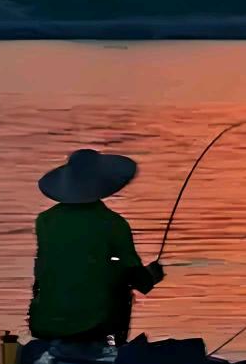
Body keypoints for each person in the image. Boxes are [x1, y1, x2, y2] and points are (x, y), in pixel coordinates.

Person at [28, 148, 165, 346]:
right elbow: (136, 278)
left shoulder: (45, 221)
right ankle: (113, 346)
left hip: (44, 324)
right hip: (94, 326)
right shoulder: (112, 223)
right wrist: (153, 274)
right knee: (121, 284)